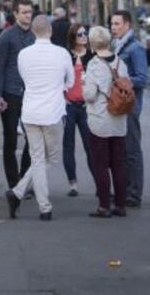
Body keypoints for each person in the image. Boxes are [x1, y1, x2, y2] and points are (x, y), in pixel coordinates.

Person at [5, 14, 74, 220]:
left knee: (37, 159)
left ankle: (20, 193)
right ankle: (41, 205)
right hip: (52, 112)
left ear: (33, 31)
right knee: (50, 159)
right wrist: (59, 86)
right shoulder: (62, 53)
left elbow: (24, 78)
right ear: (50, 31)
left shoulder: (24, 54)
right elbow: (70, 82)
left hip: (30, 111)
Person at [84, 26, 129, 218]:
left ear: (92, 44)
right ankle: (120, 204)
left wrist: (83, 82)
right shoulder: (120, 62)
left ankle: (104, 206)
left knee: (101, 164)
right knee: (118, 163)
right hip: (119, 119)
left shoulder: (94, 65)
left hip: (101, 120)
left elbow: (90, 95)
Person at [0, 0, 34, 189]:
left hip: (32, 94)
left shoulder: (37, 36)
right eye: (25, 12)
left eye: (30, 12)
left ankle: (24, 179)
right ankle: (14, 184)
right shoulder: (6, 37)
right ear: (16, 14)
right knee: (10, 139)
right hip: (10, 93)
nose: (28, 15)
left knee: (33, 139)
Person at [111, 10, 149, 208]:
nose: (113, 27)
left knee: (132, 151)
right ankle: (124, 190)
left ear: (127, 25)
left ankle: (134, 193)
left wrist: (119, 81)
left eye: (117, 24)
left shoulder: (135, 49)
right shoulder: (117, 46)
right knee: (122, 151)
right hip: (120, 106)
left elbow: (143, 79)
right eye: (112, 24)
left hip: (130, 106)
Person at [63, 23, 95, 197]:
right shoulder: (65, 55)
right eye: (80, 34)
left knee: (90, 146)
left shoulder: (92, 55)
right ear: (73, 37)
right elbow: (58, 78)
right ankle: (72, 183)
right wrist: (63, 97)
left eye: (85, 33)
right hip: (69, 106)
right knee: (68, 145)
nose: (83, 36)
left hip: (86, 106)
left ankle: (99, 182)